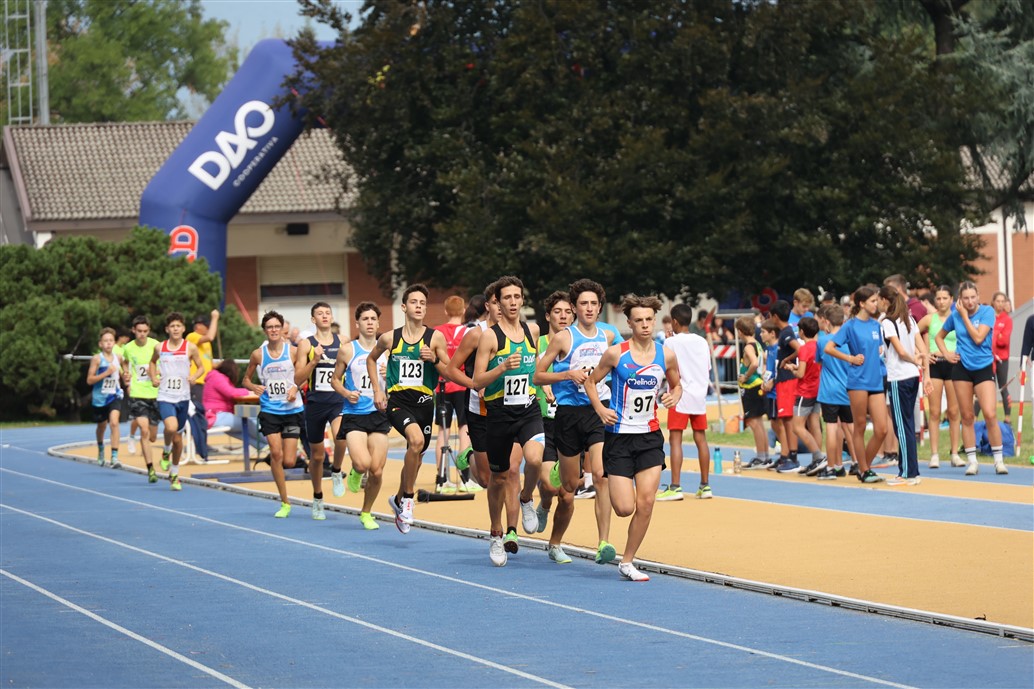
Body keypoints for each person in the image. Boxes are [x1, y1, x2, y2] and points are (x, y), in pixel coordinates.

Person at [584, 294, 682, 582]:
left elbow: (677, 385)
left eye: (649, 319)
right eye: (639, 320)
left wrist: (673, 396)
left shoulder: (666, 355)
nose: (645, 325)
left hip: (649, 437)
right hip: (619, 438)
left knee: (647, 502)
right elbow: (591, 382)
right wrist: (600, 409)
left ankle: (627, 561)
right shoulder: (616, 354)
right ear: (629, 323)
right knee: (625, 508)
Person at [534, 278, 617, 566]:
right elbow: (538, 376)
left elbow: (624, 362)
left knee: (601, 475)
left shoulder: (608, 336)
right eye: (584, 303)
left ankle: (603, 542)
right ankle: (561, 471)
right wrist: (567, 375)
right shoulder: (563, 338)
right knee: (569, 486)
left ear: (600, 307)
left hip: (597, 410)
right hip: (568, 415)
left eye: (594, 303)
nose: (589, 308)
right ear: (574, 307)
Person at [367, 284, 454, 534]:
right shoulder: (390, 338)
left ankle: (397, 500)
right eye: (414, 302)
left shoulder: (435, 338)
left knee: (416, 455)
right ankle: (407, 498)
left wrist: (433, 359)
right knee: (415, 441)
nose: (419, 306)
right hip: (398, 402)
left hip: (425, 403)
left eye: (422, 303)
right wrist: (377, 390)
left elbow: (448, 370)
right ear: (404, 307)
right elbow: (371, 359)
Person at [472, 276, 544, 566]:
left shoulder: (532, 330)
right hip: (499, 413)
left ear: (522, 299)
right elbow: (477, 380)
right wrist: (502, 367)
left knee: (535, 459)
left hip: (528, 408)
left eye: (517, 297)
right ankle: (495, 532)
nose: (513, 302)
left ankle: (526, 497)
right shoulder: (490, 337)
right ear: (498, 304)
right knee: (499, 478)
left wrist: (545, 387)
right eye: (507, 298)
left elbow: (534, 369)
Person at [935, 281, 1008, 476]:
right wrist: (946, 354)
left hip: (983, 367)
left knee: (990, 413)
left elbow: (978, 338)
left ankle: (999, 461)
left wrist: (965, 317)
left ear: (978, 296)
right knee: (967, 416)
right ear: (960, 299)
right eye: (965, 298)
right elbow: (939, 337)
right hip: (962, 369)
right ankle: (972, 461)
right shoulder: (955, 316)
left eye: (973, 297)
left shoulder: (987, 312)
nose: (969, 301)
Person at [331, 302, 390, 530]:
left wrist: (389, 374)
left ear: (378, 322)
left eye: (373, 319)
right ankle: (356, 471)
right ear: (357, 323)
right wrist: (346, 393)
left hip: (379, 413)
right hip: (354, 414)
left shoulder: (387, 350)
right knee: (363, 463)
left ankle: (366, 512)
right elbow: (334, 380)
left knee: (377, 470)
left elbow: (397, 382)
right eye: (365, 319)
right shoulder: (348, 350)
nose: (369, 323)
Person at [823, 286, 887, 483]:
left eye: (876, 300)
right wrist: (850, 358)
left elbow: (878, 349)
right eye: (873, 301)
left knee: (882, 429)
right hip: (858, 381)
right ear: (862, 303)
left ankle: (863, 466)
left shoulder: (876, 325)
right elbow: (829, 348)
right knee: (859, 426)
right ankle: (865, 470)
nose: (876, 304)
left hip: (875, 381)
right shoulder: (850, 326)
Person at [243, 311, 305, 515]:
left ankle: (277, 460)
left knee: (289, 461)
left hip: (292, 410)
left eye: (277, 326)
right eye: (269, 327)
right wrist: (253, 386)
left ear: (282, 328)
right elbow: (245, 380)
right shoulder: (258, 354)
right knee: (276, 453)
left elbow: (304, 376)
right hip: (270, 410)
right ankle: (285, 501)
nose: (273, 330)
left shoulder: (293, 351)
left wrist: (295, 388)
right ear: (265, 330)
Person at [294, 301, 347, 521]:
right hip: (315, 403)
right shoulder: (306, 345)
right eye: (320, 313)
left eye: (328, 313)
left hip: (337, 401)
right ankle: (317, 497)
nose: (324, 316)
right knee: (316, 457)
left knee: (341, 437)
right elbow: (297, 378)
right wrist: (314, 360)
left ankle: (336, 470)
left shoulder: (343, 342)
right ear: (313, 319)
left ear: (332, 317)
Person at [657, 304, 711, 500]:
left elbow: (665, 365)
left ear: (674, 322)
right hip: (699, 395)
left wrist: (669, 341)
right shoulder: (702, 341)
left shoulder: (671, 342)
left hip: (679, 394)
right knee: (701, 438)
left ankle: (675, 486)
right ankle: (705, 486)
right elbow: (707, 367)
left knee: (675, 439)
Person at [878, 285, 929, 486]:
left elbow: (900, 351)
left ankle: (907, 473)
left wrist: (914, 359)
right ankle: (911, 470)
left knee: (901, 426)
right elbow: (923, 349)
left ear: (885, 300)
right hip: (912, 377)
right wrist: (924, 370)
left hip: (899, 377)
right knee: (907, 425)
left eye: (879, 299)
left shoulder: (887, 322)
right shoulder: (909, 319)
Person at [148, 312, 204, 492]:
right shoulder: (160, 347)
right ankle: (166, 450)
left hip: (183, 397)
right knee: (171, 428)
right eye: (172, 326)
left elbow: (201, 367)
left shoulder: (190, 347)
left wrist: (194, 376)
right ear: (167, 329)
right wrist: (153, 378)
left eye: (178, 326)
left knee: (178, 440)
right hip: (165, 396)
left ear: (183, 328)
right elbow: (152, 363)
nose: (175, 329)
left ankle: (174, 473)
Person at [532, 291, 573, 537]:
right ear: (548, 316)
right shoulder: (537, 344)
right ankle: (545, 504)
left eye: (568, 312)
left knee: (567, 495)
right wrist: (543, 386)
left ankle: (555, 545)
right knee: (549, 485)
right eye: (558, 312)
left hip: (572, 421)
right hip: (543, 421)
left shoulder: (580, 343)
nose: (563, 316)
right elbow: (531, 372)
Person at [917, 285, 963, 468]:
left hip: (954, 365)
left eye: (945, 298)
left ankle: (954, 454)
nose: (942, 301)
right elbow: (913, 333)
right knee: (935, 411)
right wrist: (922, 353)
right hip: (935, 365)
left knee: (953, 411)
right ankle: (934, 454)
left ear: (951, 299)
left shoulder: (958, 318)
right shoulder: (930, 319)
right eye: (939, 298)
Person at [814, 305, 856, 479]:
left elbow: (819, 361)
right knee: (850, 427)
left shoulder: (823, 340)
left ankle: (831, 467)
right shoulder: (850, 340)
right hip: (848, 388)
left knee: (831, 427)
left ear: (827, 322)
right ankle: (857, 462)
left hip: (829, 390)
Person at [433, 295, 470, 492]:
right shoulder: (467, 332)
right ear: (463, 310)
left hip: (442, 385)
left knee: (443, 431)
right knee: (464, 429)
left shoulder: (436, 331)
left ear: (446, 311)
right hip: (462, 384)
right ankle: (465, 477)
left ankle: (442, 478)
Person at [784, 317, 827, 475]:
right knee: (814, 424)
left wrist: (792, 369)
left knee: (797, 427)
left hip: (805, 391)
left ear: (801, 332)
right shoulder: (819, 346)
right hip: (817, 388)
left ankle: (818, 456)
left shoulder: (804, 349)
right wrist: (798, 368)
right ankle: (817, 459)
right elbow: (812, 367)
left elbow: (801, 373)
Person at [121, 316, 161, 481]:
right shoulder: (128, 348)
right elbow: (124, 361)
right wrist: (126, 373)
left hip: (155, 393)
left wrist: (158, 373)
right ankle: (150, 469)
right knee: (144, 431)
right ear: (133, 331)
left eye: (145, 331)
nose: (142, 334)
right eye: (139, 331)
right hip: (138, 394)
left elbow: (164, 362)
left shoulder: (156, 345)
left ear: (149, 331)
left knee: (152, 436)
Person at [203, 358, 264, 448]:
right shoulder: (218, 377)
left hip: (212, 416)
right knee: (248, 423)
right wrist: (248, 392)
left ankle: (265, 448)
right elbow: (231, 392)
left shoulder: (215, 377)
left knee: (242, 433)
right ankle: (272, 444)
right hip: (216, 415)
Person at [770, 300, 801, 472]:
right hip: (783, 380)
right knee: (785, 419)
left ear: (775, 316)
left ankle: (793, 457)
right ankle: (787, 454)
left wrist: (787, 360)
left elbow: (799, 349)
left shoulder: (786, 333)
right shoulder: (784, 332)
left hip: (788, 380)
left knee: (789, 420)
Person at [185, 310, 220, 463]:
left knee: (202, 414)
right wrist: (215, 318)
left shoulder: (206, 345)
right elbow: (211, 336)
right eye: (206, 325)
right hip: (196, 383)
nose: (208, 328)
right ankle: (196, 444)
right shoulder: (192, 336)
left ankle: (201, 443)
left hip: (205, 383)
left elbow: (209, 364)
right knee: (195, 414)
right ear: (199, 326)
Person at [87, 327, 123, 468]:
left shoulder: (118, 357)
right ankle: (101, 448)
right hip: (100, 398)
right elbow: (89, 380)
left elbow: (124, 369)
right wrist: (106, 373)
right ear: (100, 344)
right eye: (105, 341)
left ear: (114, 343)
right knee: (101, 426)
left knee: (114, 422)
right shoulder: (97, 359)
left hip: (114, 395)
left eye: (111, 340)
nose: (108, 343)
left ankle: (114, 457)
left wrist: (126, 375)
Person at [733, 315, 768, 466]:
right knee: (759, 423)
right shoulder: (757, 344)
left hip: (751, 387)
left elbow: (754, 363)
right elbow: (763, 359)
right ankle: (764, 456)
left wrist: (746, 376)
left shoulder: (748, 347)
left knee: (754, 423)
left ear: (740, 331)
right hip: (757, 385)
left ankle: (761, 457)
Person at [992, 292, 1013, 420]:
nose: (1000, 304)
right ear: (993, 302)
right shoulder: (989, 317)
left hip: (1002, 359)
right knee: (986, 388)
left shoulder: (1007, 320)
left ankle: (1007, 419)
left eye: (1002, 301)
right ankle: (975, 419)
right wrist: (997, 334)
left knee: (1003, 387)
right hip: (989, 358)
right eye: (998, 301)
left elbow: (1003, 341)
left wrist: (995, 335)